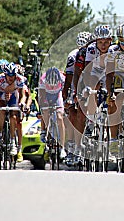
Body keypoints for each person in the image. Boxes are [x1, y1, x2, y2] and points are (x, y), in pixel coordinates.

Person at [63, 31, 93, 165]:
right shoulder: (73, 55)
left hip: (91, 82)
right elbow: (70, 77)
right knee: (73, 112)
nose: (83, 49)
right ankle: (71, 146)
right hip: (77, 83)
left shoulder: (94, 51)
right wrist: (68, 94)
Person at [0, 62, 27, 162]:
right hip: (1, 95)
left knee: (13, 117)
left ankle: (12, 142)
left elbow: (23, 95)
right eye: (9, 76)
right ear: (5, 74)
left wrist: (22, 103)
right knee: (2, 110)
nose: (11, 78)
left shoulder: (19, 79)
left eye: (13, 76)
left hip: (13, 97)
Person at [38, 67, 67, 160]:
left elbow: (66, 92)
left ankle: (62, 147)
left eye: (54, 85)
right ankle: (44, 131)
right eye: (50, 85)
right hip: (46, 95)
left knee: (59, 117)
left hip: (58, 96)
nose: (52, 87)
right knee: (45, 111)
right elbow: (41, 96)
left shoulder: (62, 78)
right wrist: (41, 108)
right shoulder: (42, 80)